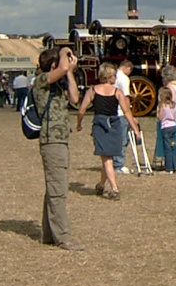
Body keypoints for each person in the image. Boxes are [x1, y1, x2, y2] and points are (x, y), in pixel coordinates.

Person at [32, 45, 84, 251]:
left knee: (54, 186)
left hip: (60, 140)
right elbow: (61, 69)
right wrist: (64, 51)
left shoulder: (57, 84)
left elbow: (74, 98)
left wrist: (70, 71)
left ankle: (49, 234)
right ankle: (63, 236)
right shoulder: (41, 81)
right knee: (58, 189)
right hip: (51, 140)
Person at [76, 62, 141, 200]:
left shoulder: (92, 90)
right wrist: (135, 129)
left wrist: (79, 123)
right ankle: (114, 188)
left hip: (100, 124)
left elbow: (82, 110)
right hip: (114, 125)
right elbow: (127, 112)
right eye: (114, 76)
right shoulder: (118, 92)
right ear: (110, 77)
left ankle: (101, 184)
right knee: (108, 158)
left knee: (107, 158)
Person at [153, 65, 176, 163]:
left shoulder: (168, 89)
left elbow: (166, 104)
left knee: (167, 142)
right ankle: (175, 162)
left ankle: (169, 163)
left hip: (168, 118)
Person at [112, 59, 133, 175]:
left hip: (112, 111)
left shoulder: (113, 76)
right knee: (123, 139)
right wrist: (129, 112)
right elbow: (126, 97)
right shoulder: (124, 79)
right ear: (128, 68)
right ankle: (119, 164)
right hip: (121, 112)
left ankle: (115, 161)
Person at [155, 87, 176, 173]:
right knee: (173, 146)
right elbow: (175, 116)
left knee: (167, 148)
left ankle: (168, 168)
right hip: (173, 126)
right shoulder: (173, 105)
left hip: (166, 127)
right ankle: (175, 166)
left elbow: (160, 117)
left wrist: (158, 114)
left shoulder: (162, 105)